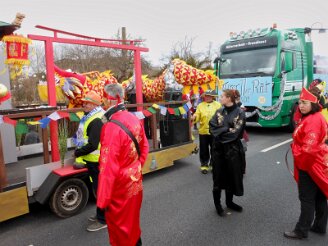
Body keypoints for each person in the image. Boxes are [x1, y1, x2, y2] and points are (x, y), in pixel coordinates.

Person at [97, 83, 149, 246]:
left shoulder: (111, 127)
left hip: (119, 188)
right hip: (134, 181)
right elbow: (144, 147)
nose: (102, 103)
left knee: (120, 229)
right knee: (133, 221)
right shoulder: (133, 118)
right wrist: (135, 167)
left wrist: (102, 201)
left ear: (111, 100)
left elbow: (107, 168)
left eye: (103, 99)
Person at [284, 87, 328, 240]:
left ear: (314, 104)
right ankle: (320, 226)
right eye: (300, 102)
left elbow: (308, 150)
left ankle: (301, 230)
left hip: (310, 165)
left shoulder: (313, 120)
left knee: (307, 198)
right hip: (319, 162)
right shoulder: (315, 116)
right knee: (320, 196)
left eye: (305, 103)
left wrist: (299, 158)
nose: (301, 106)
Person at [72, 90, 107, 232]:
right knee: (97, 189)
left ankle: (103, 219)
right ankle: (101, 214)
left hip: (96, 161)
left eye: (87, 103)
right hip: (92, 160)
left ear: (94, 105)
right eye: (84, 102)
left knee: (100, 190)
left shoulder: (96, 119)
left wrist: (77, 152)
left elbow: (93, 144)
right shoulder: (89, 117)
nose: (84, 104)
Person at [209, 89, 246, 216]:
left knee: (231, 176)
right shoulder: (219, 111)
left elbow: (236, 133)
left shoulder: (240, 113)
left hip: (233, 151)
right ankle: (218, 205)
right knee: (218, 177)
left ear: (229, 98)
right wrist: (226, 128)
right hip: (218, 150)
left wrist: (221, 133)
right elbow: (212, 128)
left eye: (222, 96)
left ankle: (229, 202)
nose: (220, 98)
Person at [192, 89, 221, 174]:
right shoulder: (200, 105)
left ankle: (213, 164)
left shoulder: (218, 105)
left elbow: (221, 116)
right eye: (206, 96)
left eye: (209, 96)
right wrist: (194, 117)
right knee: (204, 149)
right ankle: (204, 165)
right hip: (203, 131)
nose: (207, 97)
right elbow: (197, 115)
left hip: (215, 131)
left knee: (214, 149)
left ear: (212, 97)